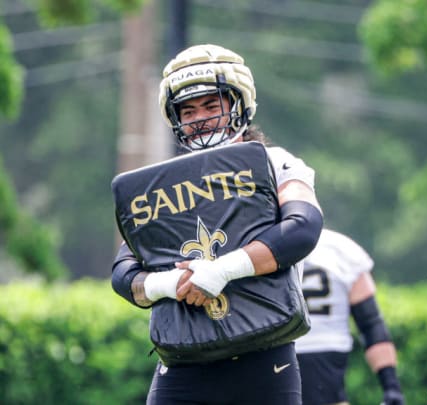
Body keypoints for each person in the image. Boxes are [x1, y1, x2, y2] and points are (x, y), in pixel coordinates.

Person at [110, 43, 323, 405]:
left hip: (263, 355)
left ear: (240, 104)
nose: (201, 118)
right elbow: (124, 273)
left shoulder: (274, 162)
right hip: (183, 363)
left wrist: (224, 269)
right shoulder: (162, 182)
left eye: (212, 105)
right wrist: (170, 283)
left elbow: (303, 226)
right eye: (188, 110)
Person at [295, 228, 405, 405]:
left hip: (277, 358)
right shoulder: (340, 248)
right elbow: (371, 323)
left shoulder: (257, 244)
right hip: (327, 362)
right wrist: (391, 386)